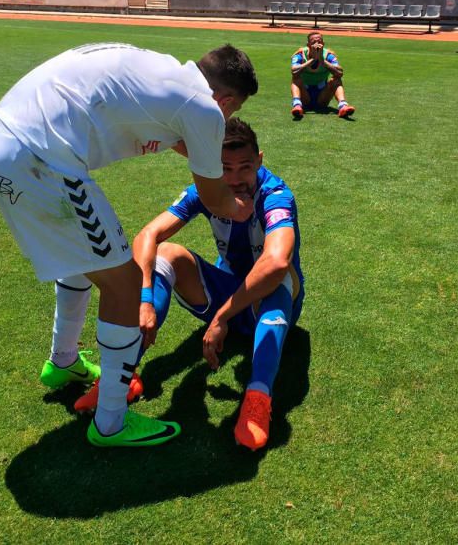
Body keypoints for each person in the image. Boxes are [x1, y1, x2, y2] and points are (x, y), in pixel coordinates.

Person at [0, 43, 258, 448]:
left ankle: (64, 363)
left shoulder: (166, 72)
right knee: (124, 284)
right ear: (226, 100)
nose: (224, 121)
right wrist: (241, 209)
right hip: (38, 157)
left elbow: (169, 133)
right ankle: (111, 423)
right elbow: (215, 199)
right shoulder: (204, 107)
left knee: (81, 260)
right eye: (230, 112)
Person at [94, 117, 303, 451]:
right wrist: (144, 296)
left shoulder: (275, 194)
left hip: (264, 305)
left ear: (260, 161)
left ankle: (258, 398)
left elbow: (277, 260)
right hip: (226, 296)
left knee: (277, 277)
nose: (235, 180)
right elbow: (148, 235)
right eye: (225, 169)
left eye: (244, 168)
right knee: (167, 254)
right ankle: (123, 378)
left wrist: (221, 317)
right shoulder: (207, 193)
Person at [289, 31, 356, 119]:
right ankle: (297, 105)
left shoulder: (329, 55)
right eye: (313, 42)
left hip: (322, 96)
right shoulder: (300, 55)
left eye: (319, 42)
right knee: (296, 78)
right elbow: (294, 72)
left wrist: (322, 60)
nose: (317, 44)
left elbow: (340, 73)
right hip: (304, 96)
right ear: (308, 45)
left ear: (323, 44)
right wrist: (312, 59)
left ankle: (343, 106)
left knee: (336, 79)